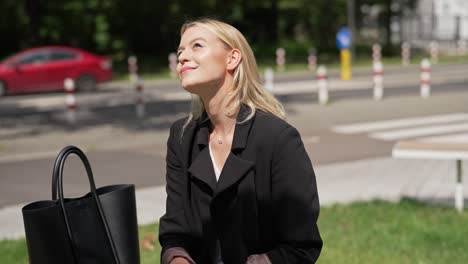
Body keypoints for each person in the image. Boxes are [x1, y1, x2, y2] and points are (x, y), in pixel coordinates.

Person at [159, 18, 322, 264]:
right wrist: (177, 259)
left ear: (232, 59)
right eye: (180, 50)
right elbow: (175, 232)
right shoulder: (181, 136)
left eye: (197, 46)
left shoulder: (278, 138)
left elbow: (302, 244)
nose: (182, 56)